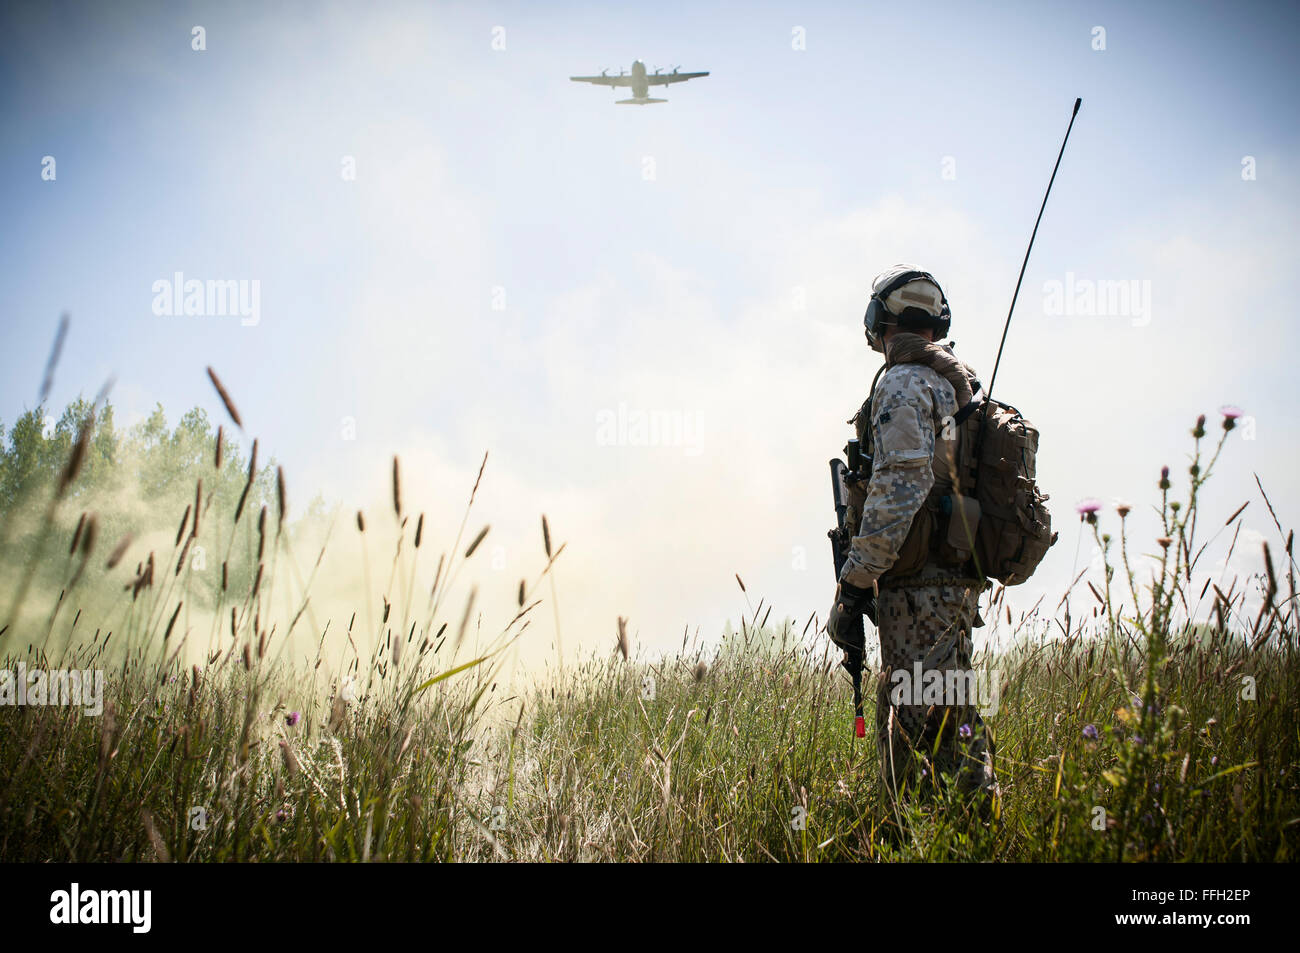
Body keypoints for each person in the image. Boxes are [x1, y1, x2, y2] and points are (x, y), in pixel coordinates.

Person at [826, 264, 999, 806]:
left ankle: (955, 840)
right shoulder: (957, 386)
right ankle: (932, 837)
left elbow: (902, 482)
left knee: (935, 740)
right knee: (929, 729)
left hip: (920, 591)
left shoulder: (904, 382)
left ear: (879, 325)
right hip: (946, 583)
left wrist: (854, 584)